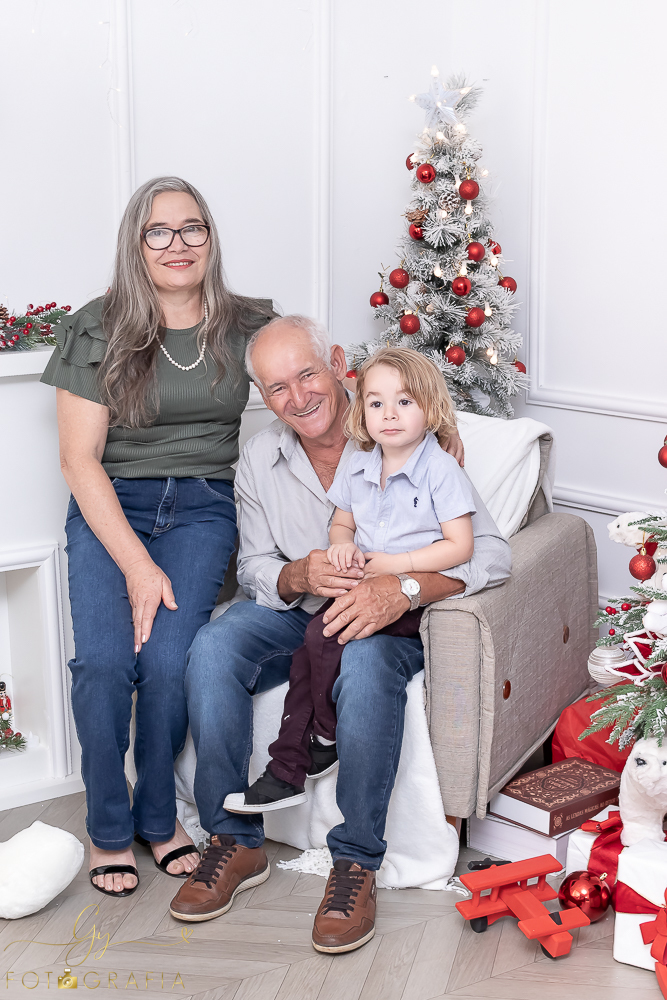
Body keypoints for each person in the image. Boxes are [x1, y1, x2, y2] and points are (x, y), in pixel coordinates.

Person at [169, 315, 511, 954]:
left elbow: (488, 554)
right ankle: (233, 842)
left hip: (386, 615)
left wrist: (401, 589)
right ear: (262, 398)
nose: (297, 398)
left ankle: (355, 863)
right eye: (276, 388)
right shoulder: (260, 457)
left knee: (364, 667)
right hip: (298, 608)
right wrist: (299, 572)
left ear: (335, 363)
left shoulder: (399, 432)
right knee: (214, 647)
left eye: (306, 375)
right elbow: (253, 569)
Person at [40, 176, 275, 897]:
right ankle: (107, 826)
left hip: (203, 509)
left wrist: (425, 436)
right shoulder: (96, 325)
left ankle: (156, 819)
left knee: (171, 663)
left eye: (193, 228)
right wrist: (139, 566)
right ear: (135, 244)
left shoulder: (249, 325)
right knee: (106, 666)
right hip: (114, 506)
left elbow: (315, 397)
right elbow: (78, 459)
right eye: (159, 232)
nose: (179, 245)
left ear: (211, 238)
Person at [223, 347, 476, 813]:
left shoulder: (440, 467)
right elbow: (342, 522)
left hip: (407, 602)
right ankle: (305, 749)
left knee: (323, 638)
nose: (389, 415)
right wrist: (341, 544)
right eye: (376, 404)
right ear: (362, 410)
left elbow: (462, 548)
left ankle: (309, 747)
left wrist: (398, 567)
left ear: (431, 409)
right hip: (356, 588)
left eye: (405, 403)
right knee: (309, 650)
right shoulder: (359, 463)